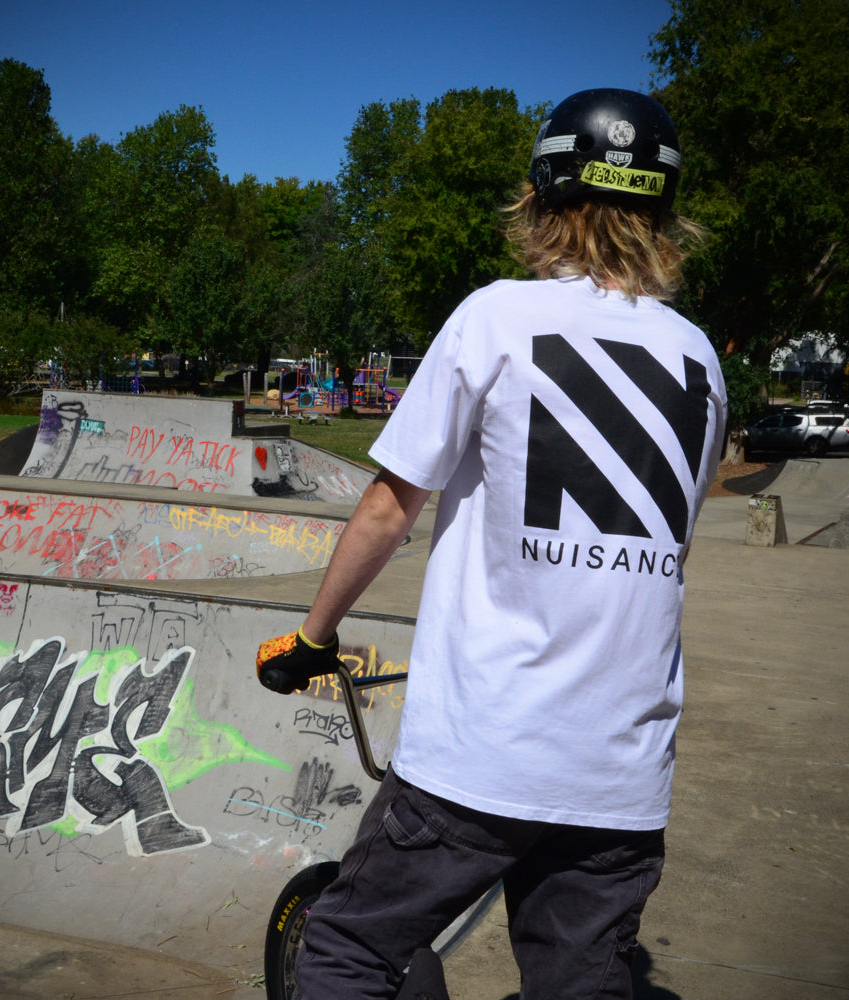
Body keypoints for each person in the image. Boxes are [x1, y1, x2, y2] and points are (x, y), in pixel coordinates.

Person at [256, 88, 727, 1000]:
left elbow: (392, 506)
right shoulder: (698, 357)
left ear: (542, 195)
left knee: (348, 949)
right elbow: (672, 542)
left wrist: (315, 636)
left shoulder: (496, 318)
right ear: (664, 210)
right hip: (621, 770)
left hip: (488, 753)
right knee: (583, 984)